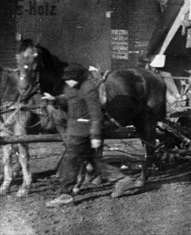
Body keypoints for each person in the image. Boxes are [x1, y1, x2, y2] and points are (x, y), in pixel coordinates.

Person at [43, 64, 135, 208]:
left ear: (78, 77)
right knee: (93, 161)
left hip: (83, 131)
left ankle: (66, 194)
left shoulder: (88, 88)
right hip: (75, 130)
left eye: (71, 79)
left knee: (70, 161)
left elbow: (96, 114)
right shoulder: (72, 87)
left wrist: (95, 135)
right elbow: (68, 99)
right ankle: (121, 179)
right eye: (66, 80)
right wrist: (54, 99)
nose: (68, 82)